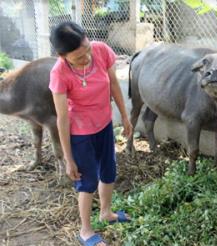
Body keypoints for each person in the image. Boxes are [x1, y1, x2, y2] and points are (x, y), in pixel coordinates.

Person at [49, 21, 133, 246]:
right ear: (62, 56)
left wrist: (125, 117)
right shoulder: (59, 73)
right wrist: (69, 159)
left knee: (109, 170)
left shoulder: (101, 50)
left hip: (104, 125)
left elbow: (114, 84)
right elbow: (63, 118)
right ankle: (85, 230)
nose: (86, 57)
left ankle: (106, 213)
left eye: (86, 49)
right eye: (78, 57)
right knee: (87, 181)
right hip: (80, 134)